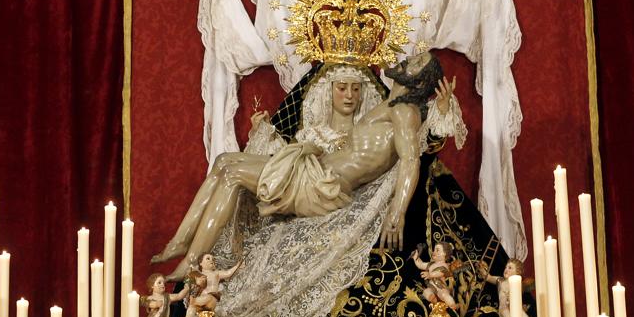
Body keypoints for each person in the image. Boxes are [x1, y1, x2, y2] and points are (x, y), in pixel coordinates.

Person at [153, 50, 452, 279]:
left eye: (416, 63)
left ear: (419, 79)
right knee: (223, 163)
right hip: (313, 170)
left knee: (231, 173)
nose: (409, 60)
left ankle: (190, 260)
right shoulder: (388, 107)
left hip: (322, 184)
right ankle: (182, 243)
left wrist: (396, 213)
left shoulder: (405, 113)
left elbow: (413, 159)